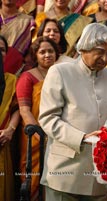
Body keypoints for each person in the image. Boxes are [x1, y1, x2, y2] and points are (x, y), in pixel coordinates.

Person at [38, 23, 107, 200]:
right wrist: (82, 138)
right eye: (100, 51)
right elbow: (48, 119)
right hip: (65, 172)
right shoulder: (60, 71)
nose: (105, 57)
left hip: (100, 179)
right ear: (84, 46)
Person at [16, 36, 60, 200]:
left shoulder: (63, 76)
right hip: (35, 138)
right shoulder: (27, 78)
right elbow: (25, 111)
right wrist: (40, 136)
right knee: (33, 179)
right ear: (35, 55)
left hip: (58, 135)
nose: (47, 55)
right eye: (42, 52)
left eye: (51, 51)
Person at [0, 43, 20, 201]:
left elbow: (16, 108)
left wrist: (10, 130)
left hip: (2, 142)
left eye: (1, 49)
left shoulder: (12, 81)